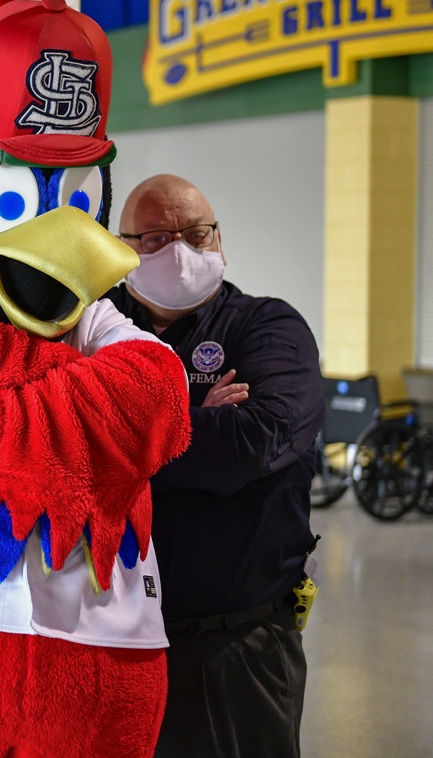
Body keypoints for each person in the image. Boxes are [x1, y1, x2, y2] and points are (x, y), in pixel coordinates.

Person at [104, 173, 325, 758]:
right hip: (106, 642)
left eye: (196, 234)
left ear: (219, 240)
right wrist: (197, 419)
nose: (179, 251)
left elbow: (255, 441)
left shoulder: (269, 328)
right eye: (153, 238)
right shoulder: (95, 326)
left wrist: (127, 432)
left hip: (234, 648)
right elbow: (57, 439)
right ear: (121, 247)